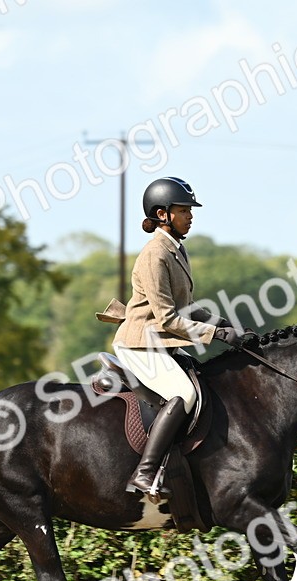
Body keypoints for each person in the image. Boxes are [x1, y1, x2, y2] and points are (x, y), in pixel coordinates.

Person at [110, 176, 247, 497]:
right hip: (140, 344)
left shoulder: (175, 250)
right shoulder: (154, 255)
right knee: (184, 394)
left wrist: (226, 325)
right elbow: (168, 318)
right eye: (184, 210)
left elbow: (187, 307)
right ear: (163, 214)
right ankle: (144, 473)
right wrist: (217, 334)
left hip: (160, 342)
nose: (191, 216)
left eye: (189, 210)